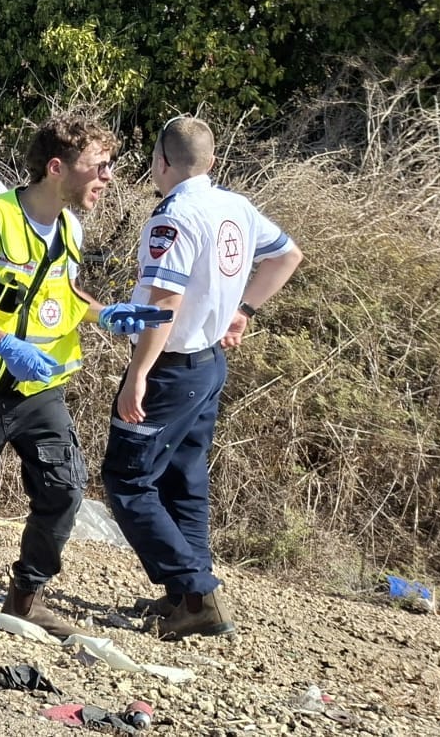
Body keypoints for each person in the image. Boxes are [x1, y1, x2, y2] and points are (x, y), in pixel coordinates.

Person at [0, 116, 161, 638]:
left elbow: (63, 292)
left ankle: (25, 595)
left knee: (65, 488)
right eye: (99, 166)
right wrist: (4, 344)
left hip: (40, 387)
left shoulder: (70, 227)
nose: (107, 177)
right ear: (57, 168)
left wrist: (103, 313)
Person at [102, 115, 302, 640]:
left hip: (170, 369)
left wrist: (138, 374)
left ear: (160, 162)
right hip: (209, 364)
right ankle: (187, 594)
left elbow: (165, 303)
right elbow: (287, 256)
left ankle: (196, 594)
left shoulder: (173, 218)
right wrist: (245, 310)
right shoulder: (236, 205)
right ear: (211, 161)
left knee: (127, 480)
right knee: (184, 482)